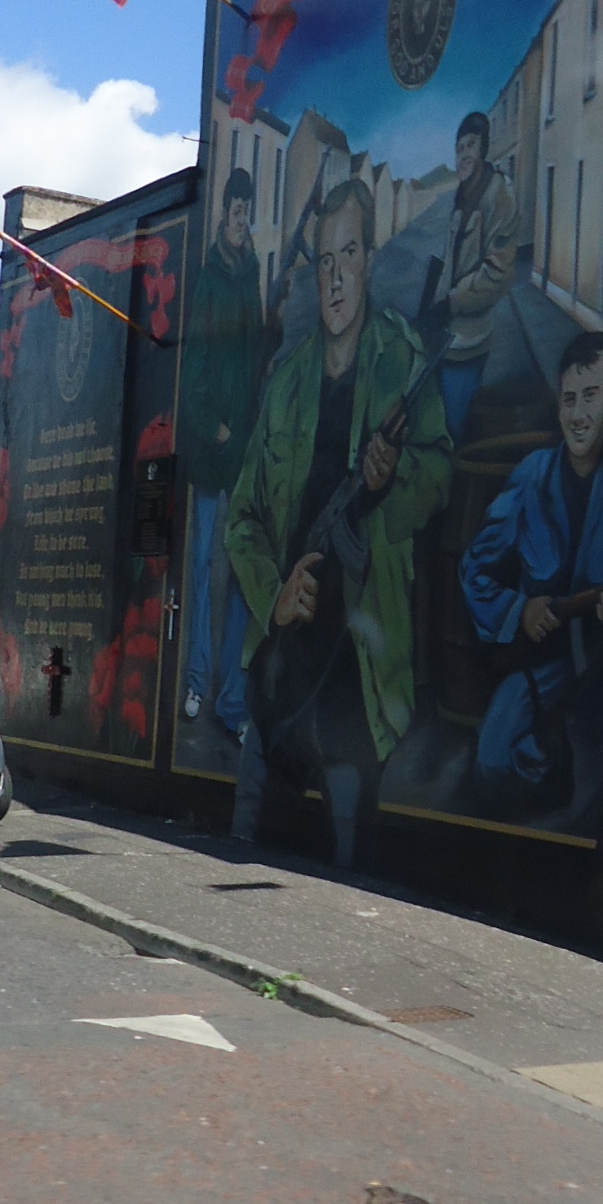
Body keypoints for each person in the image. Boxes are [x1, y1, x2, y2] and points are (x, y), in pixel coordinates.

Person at [224, 175, 450, 868]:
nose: (336, 277)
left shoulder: (403, 359)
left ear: (369, 260)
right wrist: (275, 595)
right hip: (283, 656)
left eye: (349, 255)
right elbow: (242, 518)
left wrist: (389, 481)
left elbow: (437, 477)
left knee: (352, 862)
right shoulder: (287, 382)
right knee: (249, 843)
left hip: (362, 657)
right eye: (324, 260)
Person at [460, 329, 603, 898]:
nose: (579, 414)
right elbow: (476, 570)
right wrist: (521, 610)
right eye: (569, 399)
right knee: (492, 762)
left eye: (590, 396)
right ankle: (553, 779)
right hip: (551, 656)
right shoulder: (532, 475)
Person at [179, 166, 264, 738]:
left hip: (244, 455)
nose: (241, 220)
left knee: (239, 576)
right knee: (205, 572)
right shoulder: (211, 281)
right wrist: (217, 430)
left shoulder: (251, 275)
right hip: (214, 455)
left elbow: (253, 356)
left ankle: (231, 702)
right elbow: (196, 371)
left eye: (246, 212)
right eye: (235, 211)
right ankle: (196, 681)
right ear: (224, 214)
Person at [434, 111, 518, 444]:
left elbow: (498, 273)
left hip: (469, 340)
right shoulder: (461, 196)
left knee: (455, 431)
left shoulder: (498, 194)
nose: (463, 155)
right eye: (459, 148)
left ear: (484, 148)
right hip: (445, 338)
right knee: (439, 426)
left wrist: (453, 301)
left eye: (470, 145)